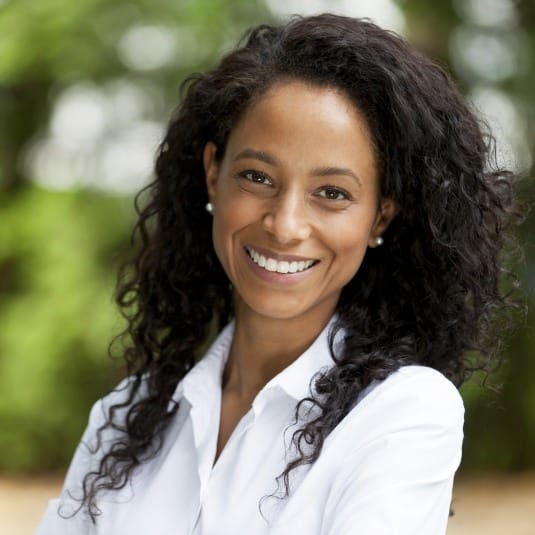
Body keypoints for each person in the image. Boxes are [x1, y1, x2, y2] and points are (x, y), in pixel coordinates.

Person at [36, 13, 521, 535]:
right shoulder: (124, 418)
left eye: (332, 193)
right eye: (257, 177)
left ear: (380, 215)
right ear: (212, 175)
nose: (285, 225)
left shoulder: (402, 414)